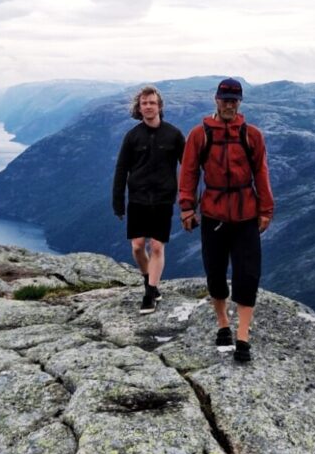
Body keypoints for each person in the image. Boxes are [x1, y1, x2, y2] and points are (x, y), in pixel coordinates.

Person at [178, 78, 274, 363]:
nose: (229, 104)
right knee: (216, 273)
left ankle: (242, 336)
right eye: (225, 99)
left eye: (234, 100)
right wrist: (186, 207)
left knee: (248, 274)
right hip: (214, 213)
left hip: (246, 213)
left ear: (240, 102)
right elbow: (189, 173)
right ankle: (223, 324)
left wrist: (266, 209)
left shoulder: (252, 135)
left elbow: (261, 173)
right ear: (216, 100)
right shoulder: (200, 134)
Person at [112, 85, 186, 314]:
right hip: (138, 198)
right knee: (136, 247)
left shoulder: (173, 135)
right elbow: (121, 169)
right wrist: (118, 200)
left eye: (152, 102)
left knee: (156, 246)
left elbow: (189, 167)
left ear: (159, 106)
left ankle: (149, 294)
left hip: (163, 199)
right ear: (139, 107)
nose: (148, 106)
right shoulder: (132, 136)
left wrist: (187, 200)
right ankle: (149, 282)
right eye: (144, 103)